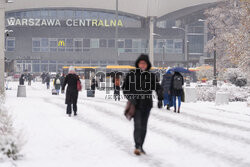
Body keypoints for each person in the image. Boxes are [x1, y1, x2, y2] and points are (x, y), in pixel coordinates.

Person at [122, 54, 163, 156]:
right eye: (141, 63)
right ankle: (137, 146)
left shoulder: (151, 76)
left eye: (144, 63)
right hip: (136, 104)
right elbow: (125, 88)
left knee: (144, 127)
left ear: (147, 64)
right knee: (138, 125)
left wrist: (160, 98)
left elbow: (157, 88)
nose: (142, 65)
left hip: (147, 104)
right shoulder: (131, 75)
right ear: (138, 64)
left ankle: (141, 146)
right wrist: (131, 98)